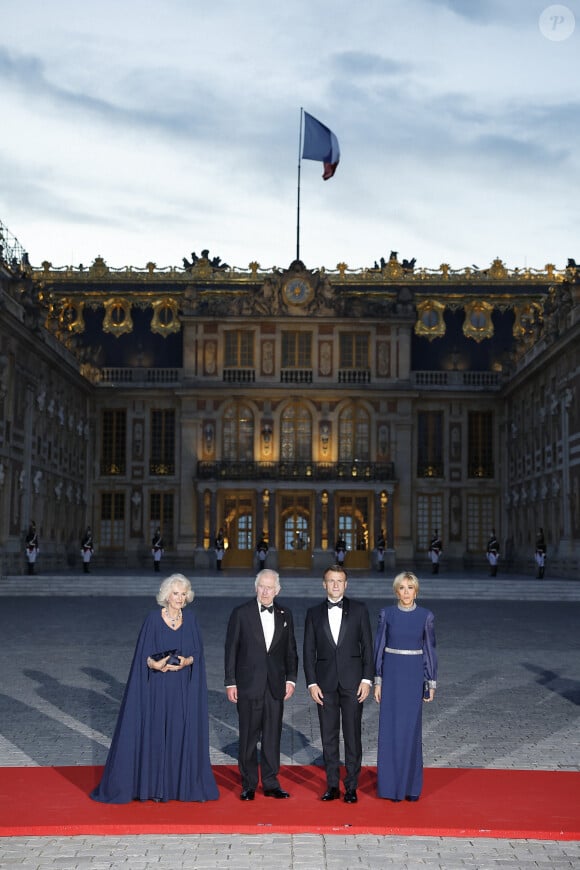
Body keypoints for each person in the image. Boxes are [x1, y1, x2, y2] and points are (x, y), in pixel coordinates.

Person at [90, 573, 218, 804]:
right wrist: (155, 663)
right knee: (157, 735)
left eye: (183, 594)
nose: (179, 598)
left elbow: (198, 653)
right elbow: (143, 655)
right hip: (157, 688)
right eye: (175, 593)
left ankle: (179, 787)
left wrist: (186, 662)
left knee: (179, 734)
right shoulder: (152, 619)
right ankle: (155, 787)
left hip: (181, 689)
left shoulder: (191, 619)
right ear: (166, 595)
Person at [224, 568, 298, 801]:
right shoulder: (241, 613)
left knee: (272, 735)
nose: (266, 591)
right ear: (256, 587)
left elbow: (291, 651)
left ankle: (271, 782)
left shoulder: (286, 614)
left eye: (270, 587)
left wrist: (291, 679)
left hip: (275, 685)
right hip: (248, 684)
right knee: (247, 736)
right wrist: (230, 682)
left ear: (277, 590)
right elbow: (231, 650)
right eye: (262, 586)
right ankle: (248, 784)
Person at [303, 564, 373, 804]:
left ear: (346, 584)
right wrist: (311, 683)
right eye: (331, 581)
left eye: (339, 581)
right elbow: (308, 650)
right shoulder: (313, 613)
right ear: (324, 584)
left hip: (354, 684)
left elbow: (368, 648)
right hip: (325, 685)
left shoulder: (360, 610)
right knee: (328, 736)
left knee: (353, 736)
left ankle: (351, 786)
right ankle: (332, 785)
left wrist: (367, 679)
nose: (335, 585)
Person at [373, 571, 437, 802]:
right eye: (402, 588)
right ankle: (389, 787)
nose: (406, 592)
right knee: (390, 730)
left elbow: (430, 650)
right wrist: (378, 680)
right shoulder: (386, 614)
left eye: (410, 588)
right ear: (396, 590)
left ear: (416, 590)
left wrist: (430, 682)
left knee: (410, 731)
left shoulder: (425, 616)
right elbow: (379, 647)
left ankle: (410, 787)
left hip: (412, 677)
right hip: (391, 676)